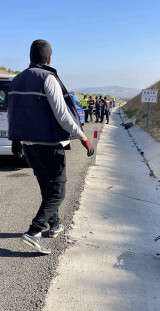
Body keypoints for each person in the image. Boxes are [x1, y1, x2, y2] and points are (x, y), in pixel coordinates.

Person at [8, 39, 95, 254]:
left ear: (30, 57)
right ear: (49, 59)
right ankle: (33, 232)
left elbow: (14, 113)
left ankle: (54, 225)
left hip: (28, 146)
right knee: (57, 193)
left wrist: (15, 140)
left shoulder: (16, 80)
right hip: (49, 146)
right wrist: (83, 137)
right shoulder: (48, 78)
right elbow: (63, 115)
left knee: (47, 189)